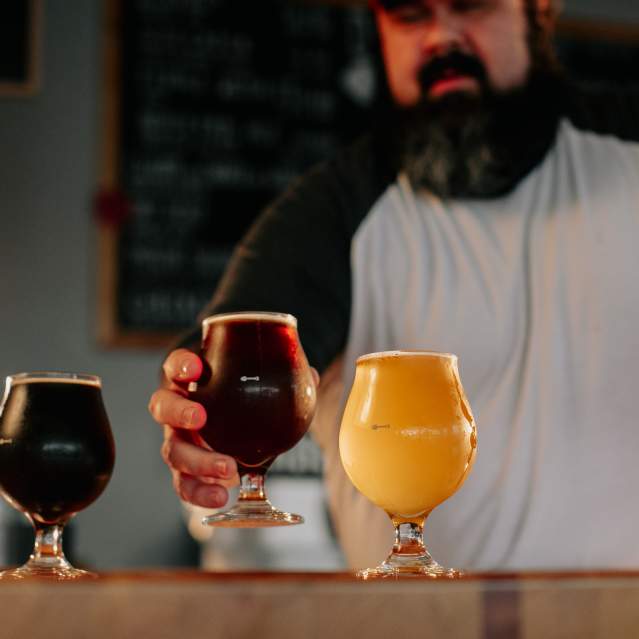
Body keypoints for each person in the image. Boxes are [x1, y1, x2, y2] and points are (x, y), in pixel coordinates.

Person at [148, 0, 639, 571]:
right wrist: (196, 419)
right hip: (412, 627)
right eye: (410, 15)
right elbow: (225, 360)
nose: (440, 37)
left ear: (540, 9)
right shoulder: (334, 212)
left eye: (469, 6)